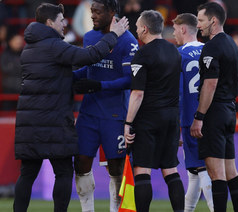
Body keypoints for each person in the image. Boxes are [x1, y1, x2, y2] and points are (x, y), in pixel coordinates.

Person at [14, 3, 129, 212]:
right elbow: (89, 56)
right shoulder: (54, 46)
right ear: (50, 23)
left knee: (27, 173)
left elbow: (59, 76)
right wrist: (113, 35)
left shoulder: (29, 47)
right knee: (64, 172)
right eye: (60, 20)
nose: (64, 23)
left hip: (29, 122)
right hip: (54, 120)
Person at [72, 0, 138, 211]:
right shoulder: (90, 36)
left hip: (115, 114)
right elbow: (89, 70)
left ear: (112, 13)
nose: (92, 16)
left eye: (98, 12)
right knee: (81, 163)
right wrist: (68, 77)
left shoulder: (128, 41)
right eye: (92, 11)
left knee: (116, 167)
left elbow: (130, 80)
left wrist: (98, 85)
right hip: (88, 113)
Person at [124, 10, 185, 212]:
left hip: (149, 118)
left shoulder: (142, 54)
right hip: (171, 117)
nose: (135, 30)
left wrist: (128, 123)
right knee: (170, 170)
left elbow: (137, 94)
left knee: (142, 169)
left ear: (145, 28)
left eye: (137, 27)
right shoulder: (175, 51)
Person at [190, 2, 238, 212]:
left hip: (215, 113)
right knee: (231, 171)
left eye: (201, 20)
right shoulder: (231, 43)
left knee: (216, 174)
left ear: (213, 21)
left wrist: (199, 116)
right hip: (230, 110)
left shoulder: (211, 46)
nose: (198, 25)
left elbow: (210, 83)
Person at [172, 13, 214, 212]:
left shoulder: (177, 55)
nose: (173, 34)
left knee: (202, 168)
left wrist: (178, 124)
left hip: (190, 119)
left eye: (174, 29)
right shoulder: (209, 50)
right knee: (194, 172)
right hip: (211, 117)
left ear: (182, 29)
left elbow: (178, 92)